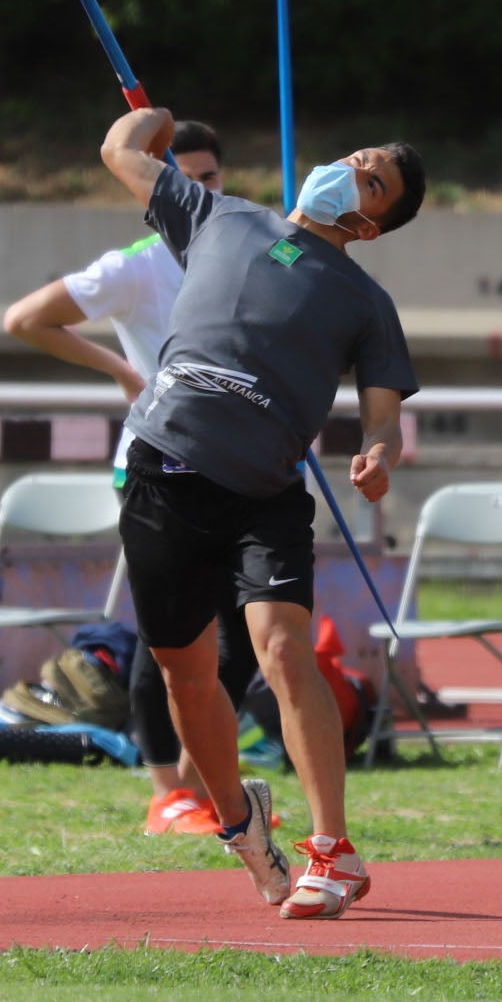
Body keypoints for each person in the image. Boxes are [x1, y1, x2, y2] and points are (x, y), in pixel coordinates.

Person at [101, 104, 423, 921]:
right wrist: (160, 120)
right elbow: (119, 148)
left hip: (264, 492)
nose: (351, 170)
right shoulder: (219, 215)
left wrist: (379, 456)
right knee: (184, 673)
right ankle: (244, 831)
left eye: (372, 180)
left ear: (371, 224)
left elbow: (382, 417)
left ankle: (333, 851)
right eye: (356, 153)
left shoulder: (363, 299)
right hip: (161, 471)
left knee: (283, 651)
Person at [3, 119, 250, 836]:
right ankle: (164, 791)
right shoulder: (137, 265)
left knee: (242, 635)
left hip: (242, 465)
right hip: (159, 468)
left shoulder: (246, 251)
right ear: (148, 185)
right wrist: (120, 370)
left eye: (208, 178)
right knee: (171, 634)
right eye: (181, 177)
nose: (197, 191)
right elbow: (26, 319)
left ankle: (207, 784)